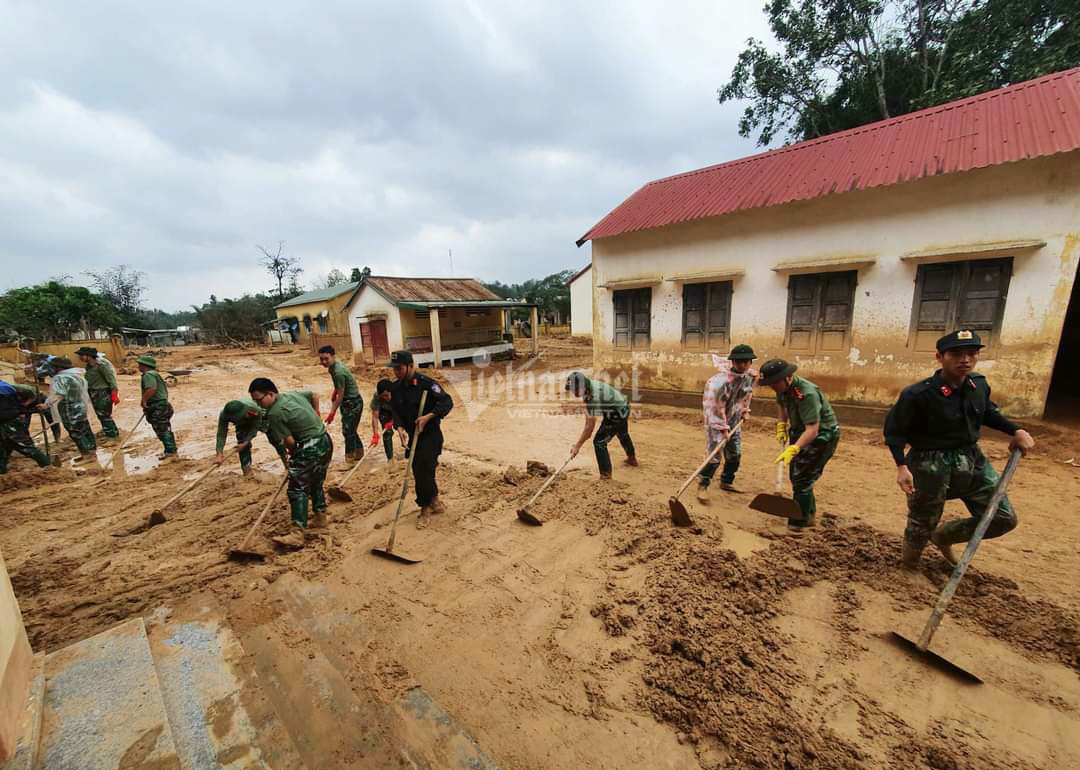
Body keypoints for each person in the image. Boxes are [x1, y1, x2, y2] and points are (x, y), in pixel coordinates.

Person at [884, 330, 1035, 568]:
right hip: (929, 463)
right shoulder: (918, 394)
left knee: (1003, 517)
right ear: (939, 357)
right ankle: (909, 566)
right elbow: (894, 433)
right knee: (923, 520)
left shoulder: (979, 385)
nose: (964, 359)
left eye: (971, 354)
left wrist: (1015, 430)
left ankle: (944, 536)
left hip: (971, 459)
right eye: (956, 354)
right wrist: (901, 467)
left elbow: (988, 412)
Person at [249, 377, 332, 545]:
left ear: (270, 394)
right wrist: (317, 414)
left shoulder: (274, 414)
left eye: (259, 400)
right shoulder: (291, 395)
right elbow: (314, 395)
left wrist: (295, 460)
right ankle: (320, 518)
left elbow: (290, 443)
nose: (258, 405)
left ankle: (297, 533)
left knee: (297, 488)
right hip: (325, 440)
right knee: (316, 481)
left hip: (310, 446)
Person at [759, 359, 840, 532]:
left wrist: (795, 448)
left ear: (788, 377)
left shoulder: (806, 393)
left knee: (802, 479)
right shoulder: (781, 388)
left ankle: (797, 525)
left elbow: (813, 429)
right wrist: (781, 425)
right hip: (799, 431)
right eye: (769, 384)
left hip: (821, 436)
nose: (772, 387)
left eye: (774, 383)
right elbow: (782, 405)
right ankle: (808, 515)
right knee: (799, 476)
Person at [387, 351, 453, 527]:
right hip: (413, 436)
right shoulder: (396, 388)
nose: (396, 372)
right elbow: (395, 411)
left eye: (399, 368)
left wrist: (428, 416)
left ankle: (424, 508)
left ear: (410, 366)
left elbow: (447, 402)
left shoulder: (427, 385)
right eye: (394, 369)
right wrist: (399, 428)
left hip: (430, 435)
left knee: (421, 468)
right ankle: (434, 500)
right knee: (425, 469)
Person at [698, 345, 758, 501]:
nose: (743, 365)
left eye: (746, 362)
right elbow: (715, 407)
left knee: (735, 453)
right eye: (739, 362)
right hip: (716, 421)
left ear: (750, 362)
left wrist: (744, 411)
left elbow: (746, 395)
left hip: (734, 419)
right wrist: (722, 428)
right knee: (715, 454)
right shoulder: (719, 383)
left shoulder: (748, 376)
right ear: (732, 362)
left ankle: (726, 481)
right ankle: (703, 485)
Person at [566, 371, 637, 479]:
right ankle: (632, 459)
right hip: (622, 404)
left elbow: (589, 428)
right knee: (622, 433)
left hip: (617, 412)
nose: (574, 392)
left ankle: (606, 476)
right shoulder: (588, 387)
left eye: (575, 389)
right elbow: (588, 419)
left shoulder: (593, 396)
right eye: (572, 389)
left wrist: (578, 445)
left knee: (599, 442)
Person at [46, 357, 98, 464]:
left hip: (69, 409)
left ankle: (87, 455)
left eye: (53, 367)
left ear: (58, 367)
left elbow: (60, 395)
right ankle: (92, 452)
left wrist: (46, 405)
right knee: (85, 429)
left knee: (75, 432)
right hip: (80, 406)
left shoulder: (61, 377)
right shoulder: (76, 374)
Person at [319, 345, 365, 462]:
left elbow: (341, 396)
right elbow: (339, 388)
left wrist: (332, 413)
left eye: (326, 359)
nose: (324, 362)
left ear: (333, 356)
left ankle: (349, 458)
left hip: (353, 402)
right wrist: (335, 391)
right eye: (321, 359)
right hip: (347, 401)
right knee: (351, 429)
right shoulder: (332, 367)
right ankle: (359, 452)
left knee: (348, 430)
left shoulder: (338, 371)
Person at [214, 399, 280, 476]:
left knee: (275, 437)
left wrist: (246, 442)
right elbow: (221, 433)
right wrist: (219, 454)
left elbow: (255, 427)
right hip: (243, 422)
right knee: (242, 442)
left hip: (262, 416)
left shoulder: (253, 410)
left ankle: (286, 463)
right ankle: (247, 471)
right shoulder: (224, 415)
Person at [0, 381, 51, 474]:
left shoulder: (4, 390)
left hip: (9, 424)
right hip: (9, 420)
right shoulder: (5, 388)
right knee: (3, 450)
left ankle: (50, 468)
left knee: (26, 447)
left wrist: (24, 411)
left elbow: (8, 411)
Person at [137, 355, 178, 460]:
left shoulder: (148, 375)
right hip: (162, 405)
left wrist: (144, 400)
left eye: (139, 364)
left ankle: (170, 451)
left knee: (162, 429)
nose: (138, 366)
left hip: (158, 406)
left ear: (144, 365)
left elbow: (151, 388)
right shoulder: (154, 374)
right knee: (165, 428)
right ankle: (171, 450)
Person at [76, 346, 120, 442]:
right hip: (94, 393)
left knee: (105, 415)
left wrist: (114, 394)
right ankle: (109, 431)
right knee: (100, 415)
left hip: (102, 393)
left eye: (82, 355)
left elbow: (111, 380)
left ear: (89, 356)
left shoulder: (101, 365)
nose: (80, 358)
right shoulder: (89, 366)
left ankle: (112, 437)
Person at [370, 378, 397, 465]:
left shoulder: (399, 393)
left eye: (387, 395)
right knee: (386, 433)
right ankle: (390, 458)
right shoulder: (377, 397)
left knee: (408, 428)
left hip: (398, 409)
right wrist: (375, 434)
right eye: (383, 396)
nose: (386, 398)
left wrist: (393, 422)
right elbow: (375, 416)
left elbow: (403, 412)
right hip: (385, 411)